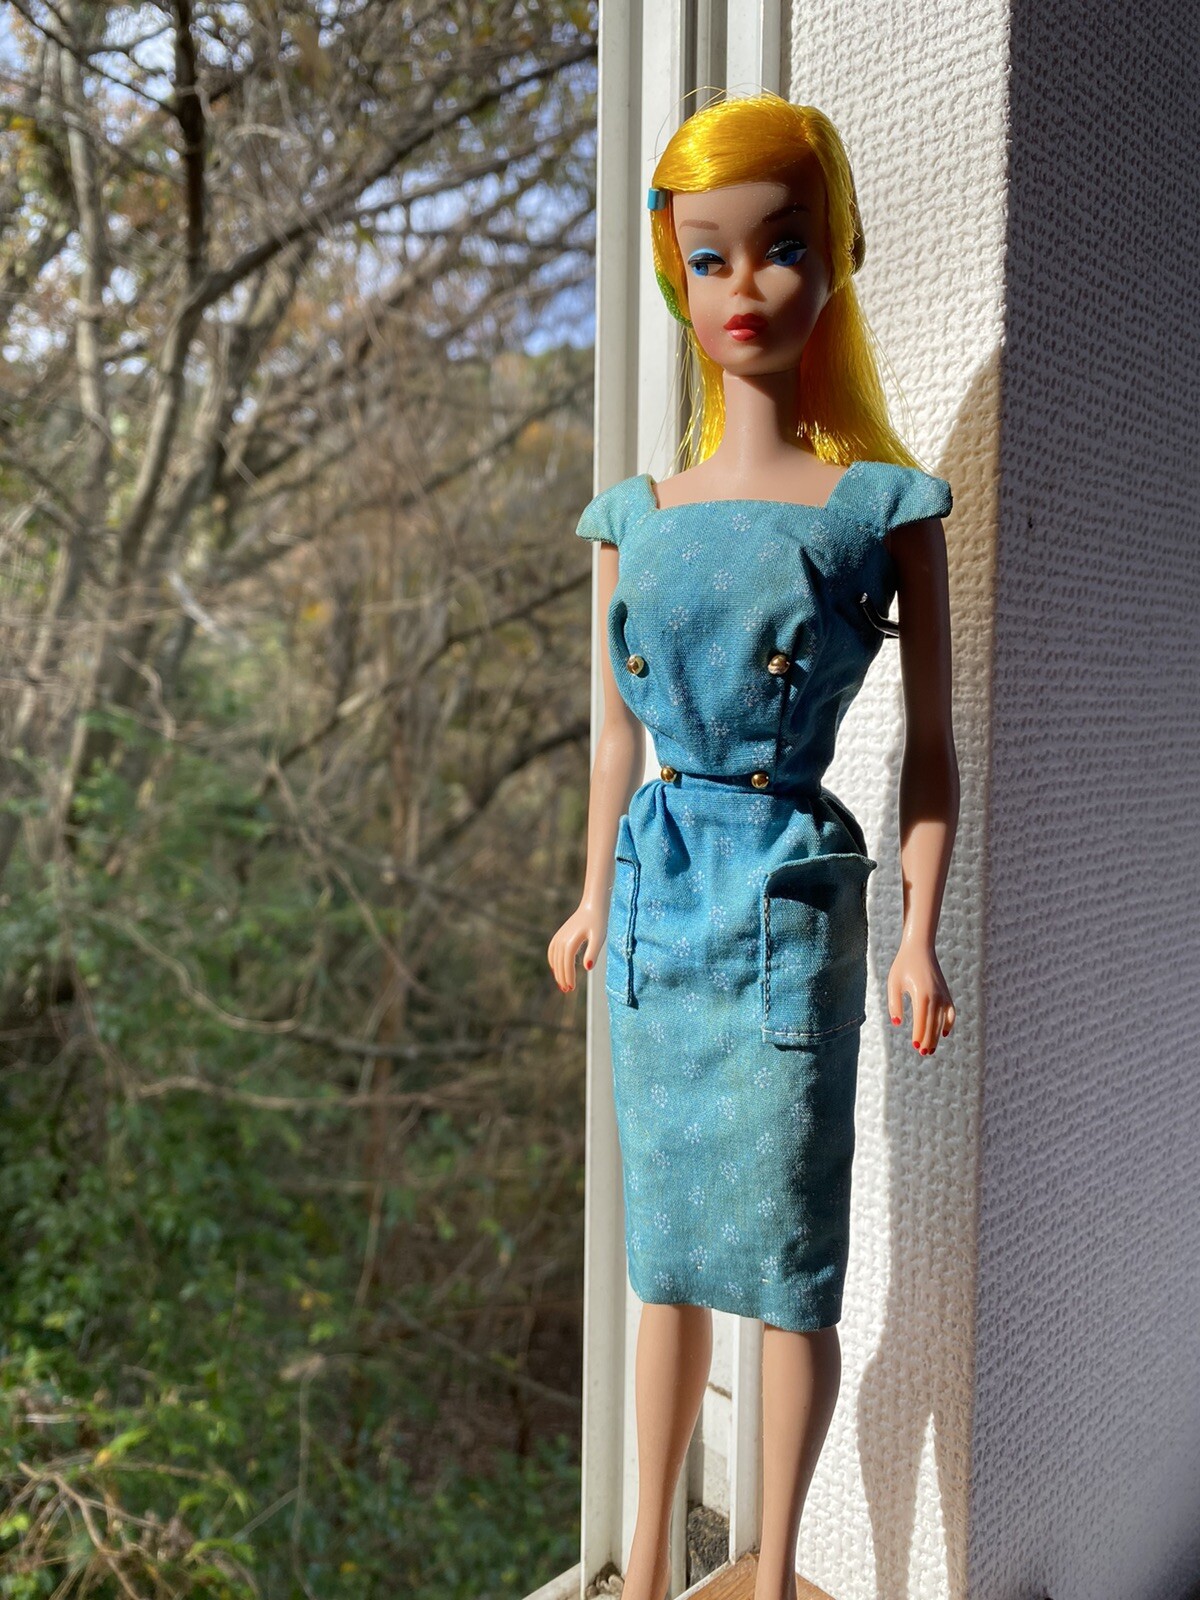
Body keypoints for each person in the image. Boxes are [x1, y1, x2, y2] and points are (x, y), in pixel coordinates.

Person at [547, 90, 959, 1600]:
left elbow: (932, 748)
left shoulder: (880, 510)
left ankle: (774, 1572)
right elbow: (612, 740)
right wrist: (588, 899)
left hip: (792, 895)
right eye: (708, 257)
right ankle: (650, 1560)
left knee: (790, 1261)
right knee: (664, 1258)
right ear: (675, 273)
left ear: (833, 258)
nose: (745, 289)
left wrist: (919, 934)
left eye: (780, 248)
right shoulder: (631, 516)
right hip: (658, 908)